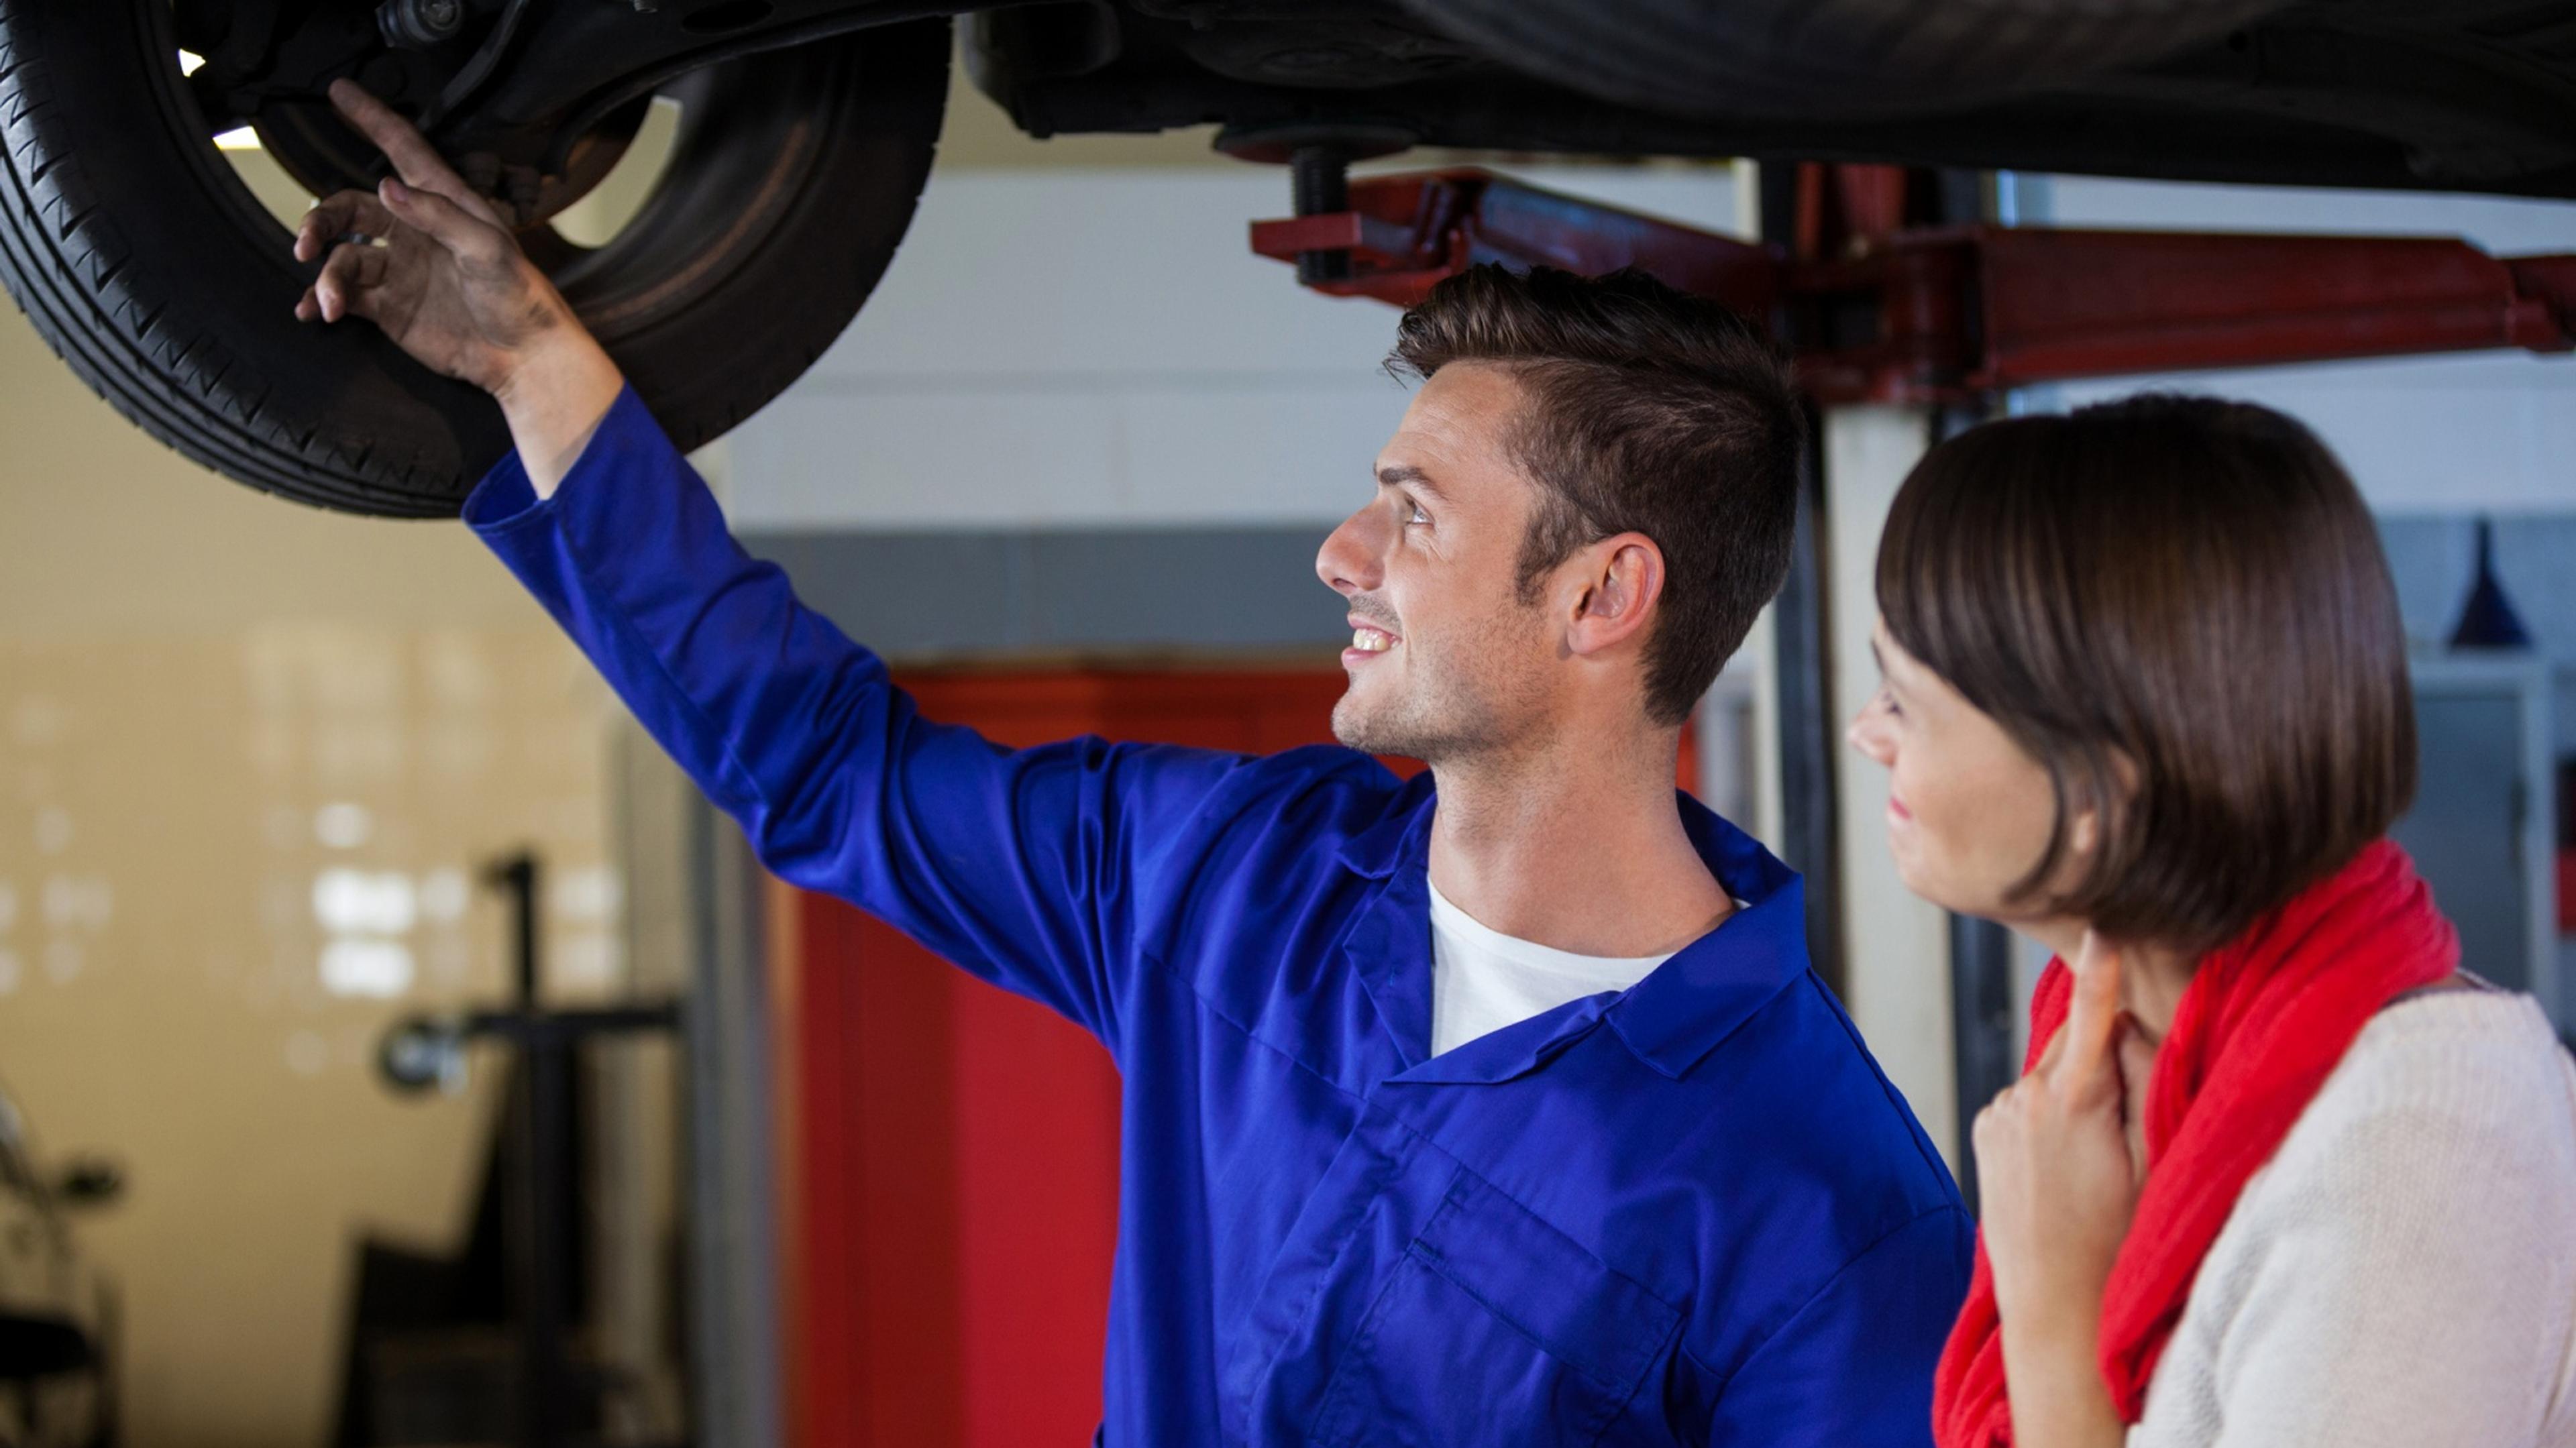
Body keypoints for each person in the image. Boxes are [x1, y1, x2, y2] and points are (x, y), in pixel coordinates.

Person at [297, 80, 1973, 1446]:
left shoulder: (1829, 1212)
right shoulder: (1226, 880)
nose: (1341, 552)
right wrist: (531, 360)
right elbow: (822, 765)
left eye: (1413, 513)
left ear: (1602, 597)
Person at [1843, 395, 2576, 1448]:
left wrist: (2055, 1322)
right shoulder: (2120, 1062)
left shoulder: (2422, 1134)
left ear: (2102, 790)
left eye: (1905, 697)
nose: (1869, 734)